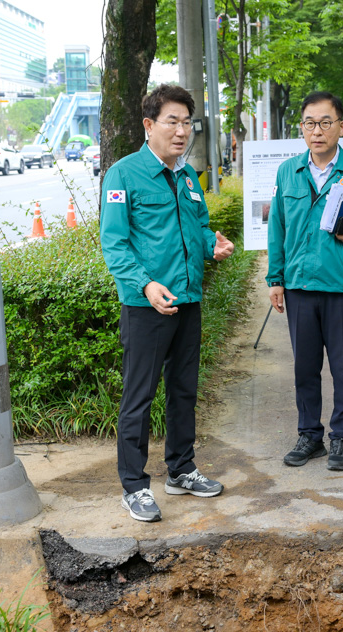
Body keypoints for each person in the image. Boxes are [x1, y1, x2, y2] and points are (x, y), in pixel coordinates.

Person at [100, 84, 236, 522]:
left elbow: (199, 228)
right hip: (147, 307)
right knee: (139, 396)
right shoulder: (123, 175)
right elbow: (114, 243)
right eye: (172, 121)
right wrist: (145, 285)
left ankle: (181, 469)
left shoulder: (188, 176)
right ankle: (134, 486)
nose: (181, 131)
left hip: (188, 300)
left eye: (187, 123)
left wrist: (212, 245)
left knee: (183, 390)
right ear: (149, 125)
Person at [266, 92, 343, 471]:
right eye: (309, 123)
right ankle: (310, 435)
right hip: (299, 287)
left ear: (341, 127)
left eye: (325, 123)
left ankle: (341, 437)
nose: (317, 131)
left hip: (341, 287)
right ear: (302, 128)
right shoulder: (288, 171)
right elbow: (277, 227)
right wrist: (276, 278)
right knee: (304, 367)